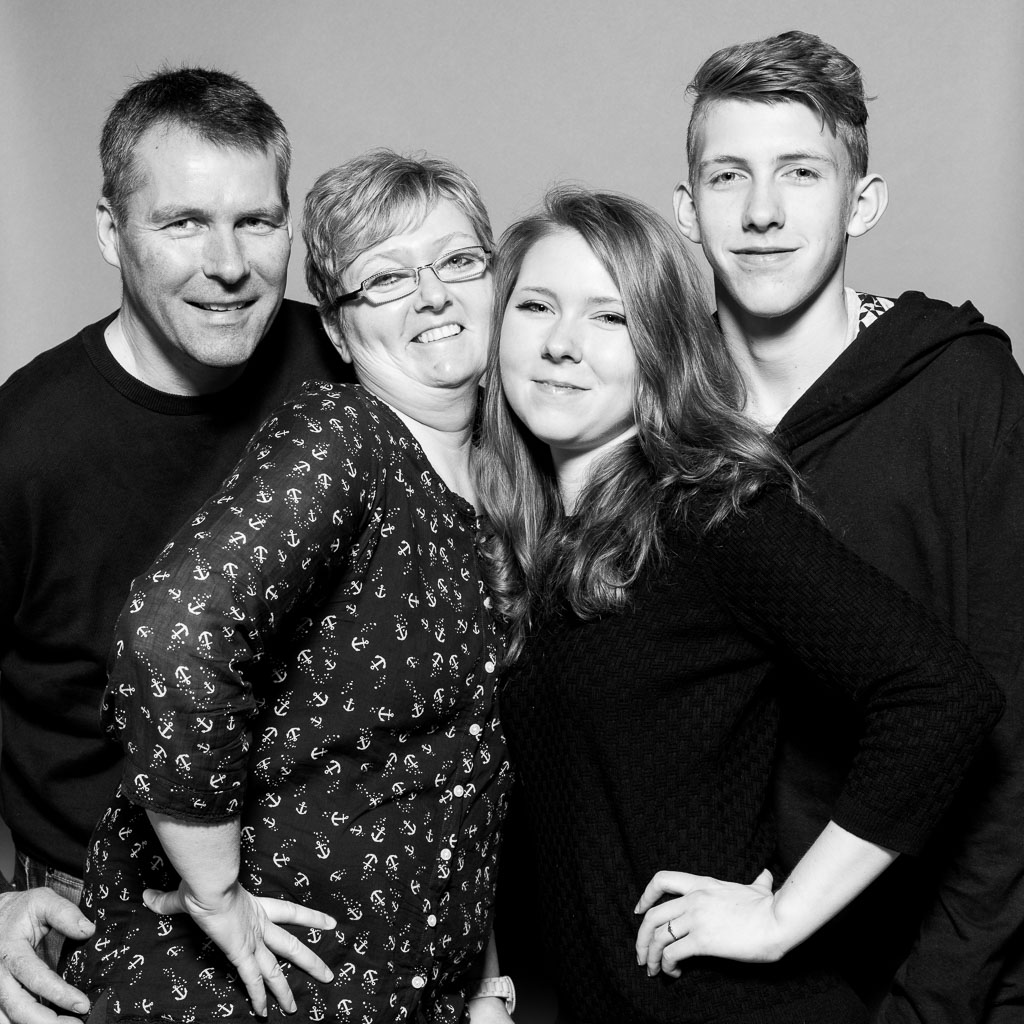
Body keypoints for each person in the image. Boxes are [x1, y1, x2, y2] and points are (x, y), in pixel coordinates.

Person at [475, 186, 1003, 1024]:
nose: (562, 344)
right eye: (536, 306)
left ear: (660, 350)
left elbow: (942, 695)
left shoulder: (709, 514)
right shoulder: (517, 543)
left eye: (610, 318)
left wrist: (782, 918)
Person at [64, 150, 516, 1024]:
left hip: (400, 995)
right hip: (246, 992)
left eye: (458, 261)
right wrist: (215, 894)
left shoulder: (500, 488)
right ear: (338, 333)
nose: (432, 295)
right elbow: (170, 636)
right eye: (386, 278)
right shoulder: (345, 437)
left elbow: (460, 768)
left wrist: (483, 988)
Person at [673, 30, 1024, 1022]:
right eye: (728, 176)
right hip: (722, 975)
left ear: (861, 203)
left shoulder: (964, 393)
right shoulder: (656, 418)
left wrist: (934, 1001)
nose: (762, 211)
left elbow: (1012, 737)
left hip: (941, 976)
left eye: (800, 172)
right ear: (687, 210)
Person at [0, 65, 351, 1023]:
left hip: (318, 900)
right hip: (96, 914)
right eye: (184, 222)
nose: (228, 264)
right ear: (111, 232)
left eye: (257, 221)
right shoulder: (24, 443)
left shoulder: (346, 376)